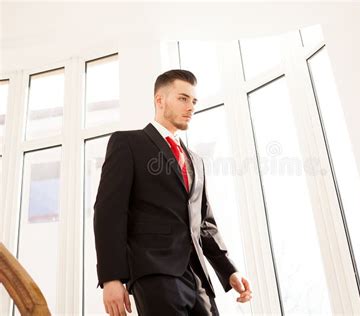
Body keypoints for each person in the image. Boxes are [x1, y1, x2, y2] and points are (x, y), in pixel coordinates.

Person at [93, 69, 252, 316]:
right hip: (154, 272)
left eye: (194, 101)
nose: (191, 107)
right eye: (183, 98)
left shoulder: (196, 161)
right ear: (160, 100)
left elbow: (205, 224)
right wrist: (111, 278)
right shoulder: (128, 144)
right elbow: (109, 213)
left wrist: (229, 270)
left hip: (199, 279)